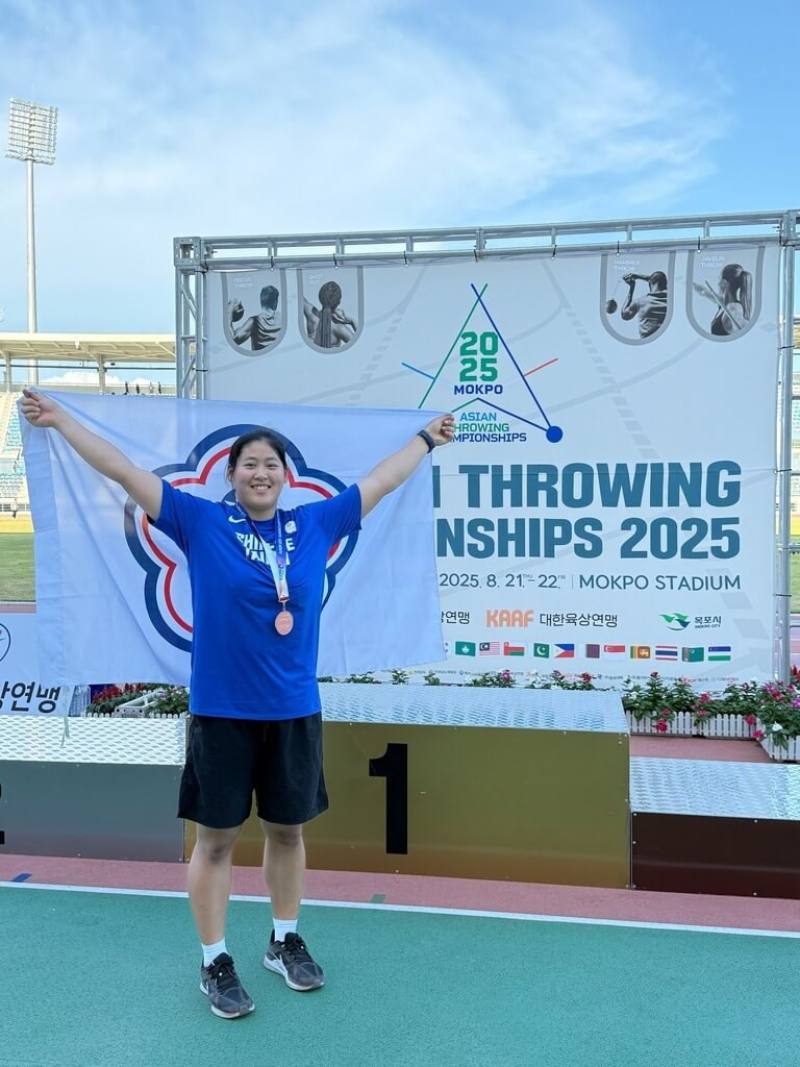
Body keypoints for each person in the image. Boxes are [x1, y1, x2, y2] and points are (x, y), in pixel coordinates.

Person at [19, 386, 454, 1020]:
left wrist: (423, 439)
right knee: (216, 842)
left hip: (294, 710)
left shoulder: (314, 524)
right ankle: (214, 958)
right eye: (249, 463)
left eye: (271, 464)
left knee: (288, 832)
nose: (261, 473)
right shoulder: (200, 521)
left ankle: (283, 940)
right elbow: (121, 469)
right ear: (231, 474)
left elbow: (381, 482)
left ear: (286, 477)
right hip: (222, 713)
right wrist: (60, 422)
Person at [693, 263, 752, 335]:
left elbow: (746, 328)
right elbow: (704, 292)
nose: (717, 283)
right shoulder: (725, 304)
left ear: (723, 283)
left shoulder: (733, 308)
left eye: (719, 279)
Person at [302, 282, 357, 348]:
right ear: (339, 302)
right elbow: (360, 345)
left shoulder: (311, 314)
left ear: (320, 298)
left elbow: (299, 296)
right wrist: (352, 322)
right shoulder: (339, 328)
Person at [229, 286, 281, 351]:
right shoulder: (283, 319)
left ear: (261, 301)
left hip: (261, 360)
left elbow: (233, 340)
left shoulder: (254, 322)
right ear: (275, 302)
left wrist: (230, 309)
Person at [619, 271, 668, 339]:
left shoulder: (641, 301)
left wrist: (632, 287)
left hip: (648, 345)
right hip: (667, 344)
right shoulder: (672, 299)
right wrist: (639, 276)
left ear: (650, 282)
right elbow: (656, 279)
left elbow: (625, 315)